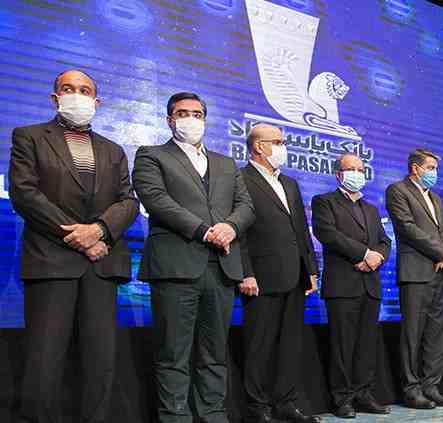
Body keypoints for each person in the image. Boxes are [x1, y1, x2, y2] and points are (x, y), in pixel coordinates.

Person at [9, 69, 139, 423]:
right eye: (68, 89)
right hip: (51, 261)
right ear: (55, 97)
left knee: (101, 361)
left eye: (85, 90)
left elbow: (128, 202)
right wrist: (80, 238)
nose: (76, 95)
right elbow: (25, 193)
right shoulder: (30, 136)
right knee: (44, 360)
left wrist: (99, 230)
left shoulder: (113, 150)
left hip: (102, 265)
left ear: (97, 101)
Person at [133, 92, 255, 423]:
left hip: (222, 267)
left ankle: (213, 415)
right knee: (173, 352)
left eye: (197, 114)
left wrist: (230, 227)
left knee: (214, 352)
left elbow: (245, 205)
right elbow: (156, 200)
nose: (191, 119)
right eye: (182, 113)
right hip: (175, 266)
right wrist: (204, 231)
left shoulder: (226, 163)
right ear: (169, 119)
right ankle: (175, 418)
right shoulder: (151, 156)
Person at [239, 123, 320, 423]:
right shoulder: (239, 178)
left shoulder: (290, 183)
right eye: (278, 142)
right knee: (259, 345)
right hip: (261, 276)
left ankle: (286, 402)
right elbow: (239, 232)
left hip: (295, 275)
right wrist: (245, 272)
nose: (283, 148)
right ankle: (257, 407)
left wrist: (311, 269)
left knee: (290, 344)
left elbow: (301, 229)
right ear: (258, 146)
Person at [311, 153, 392, 419]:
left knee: (366, 345)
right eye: (351, 169)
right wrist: (363, 254)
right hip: (342, 285)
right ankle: (342, 398)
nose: (356, 173)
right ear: (338, 174)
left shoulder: (371, 208)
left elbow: (384, 241)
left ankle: (363, 394)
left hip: (370, 284)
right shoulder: (324, 202)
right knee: (342, 346)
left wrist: (377, 257)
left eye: (360, 169)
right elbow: (327, 234)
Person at [385, 148, 443, 409]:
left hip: (440, 273)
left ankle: (431, 386)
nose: (434, 173)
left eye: (436, 168)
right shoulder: (398, 190)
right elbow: (407, 227)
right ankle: (411, 389)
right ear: (415, 168)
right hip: (415, 273)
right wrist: (440, 251)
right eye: (431, 168)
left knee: (436, 334)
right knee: (412, 334)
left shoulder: (435, 198)